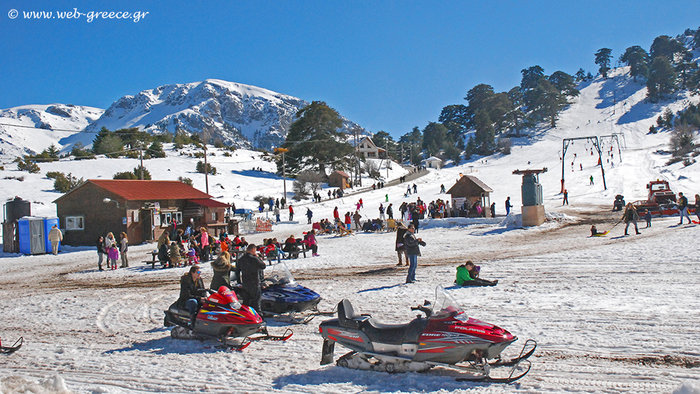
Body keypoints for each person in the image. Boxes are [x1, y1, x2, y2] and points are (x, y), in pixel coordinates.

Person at [237, 244, 266, 311]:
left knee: (246, 302)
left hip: (245, 283)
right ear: (253, 250)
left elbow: (237, 271)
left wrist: (239, 282)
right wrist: (258, 258)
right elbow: (263, 266)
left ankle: (246, 315)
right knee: (256, 302)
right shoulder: (254, 259)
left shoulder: (241, 259)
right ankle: (258, 316)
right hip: (255, 282)